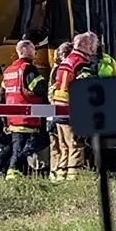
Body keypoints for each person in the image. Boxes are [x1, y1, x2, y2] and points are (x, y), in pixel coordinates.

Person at [51, 32, 99, 180]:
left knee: (64, 145)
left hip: (59, 107)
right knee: (76, 144)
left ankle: (60, 174)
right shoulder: (82, 63)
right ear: (87, 45)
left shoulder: (66, 61)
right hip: (72, 108)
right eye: (94, 45)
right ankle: (74, 176)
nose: (96, 48)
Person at [0, 40, 48, 179]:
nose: (35, 52)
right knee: (26, 149)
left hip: (12, 119)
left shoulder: (8, 71)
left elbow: (1, 97)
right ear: (27, 50)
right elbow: (40, 89)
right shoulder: (28, 69)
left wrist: (4, 120)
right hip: (28, 118)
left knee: (15, 149)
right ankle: (13, 174)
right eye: (34, 49)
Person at [48, 41, 73, 181]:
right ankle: (62, 172)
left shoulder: (56, 68)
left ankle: (55, 173)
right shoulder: (63, 69)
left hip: (55, 111)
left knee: (58, 144)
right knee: (65, 144)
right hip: (61, 110)